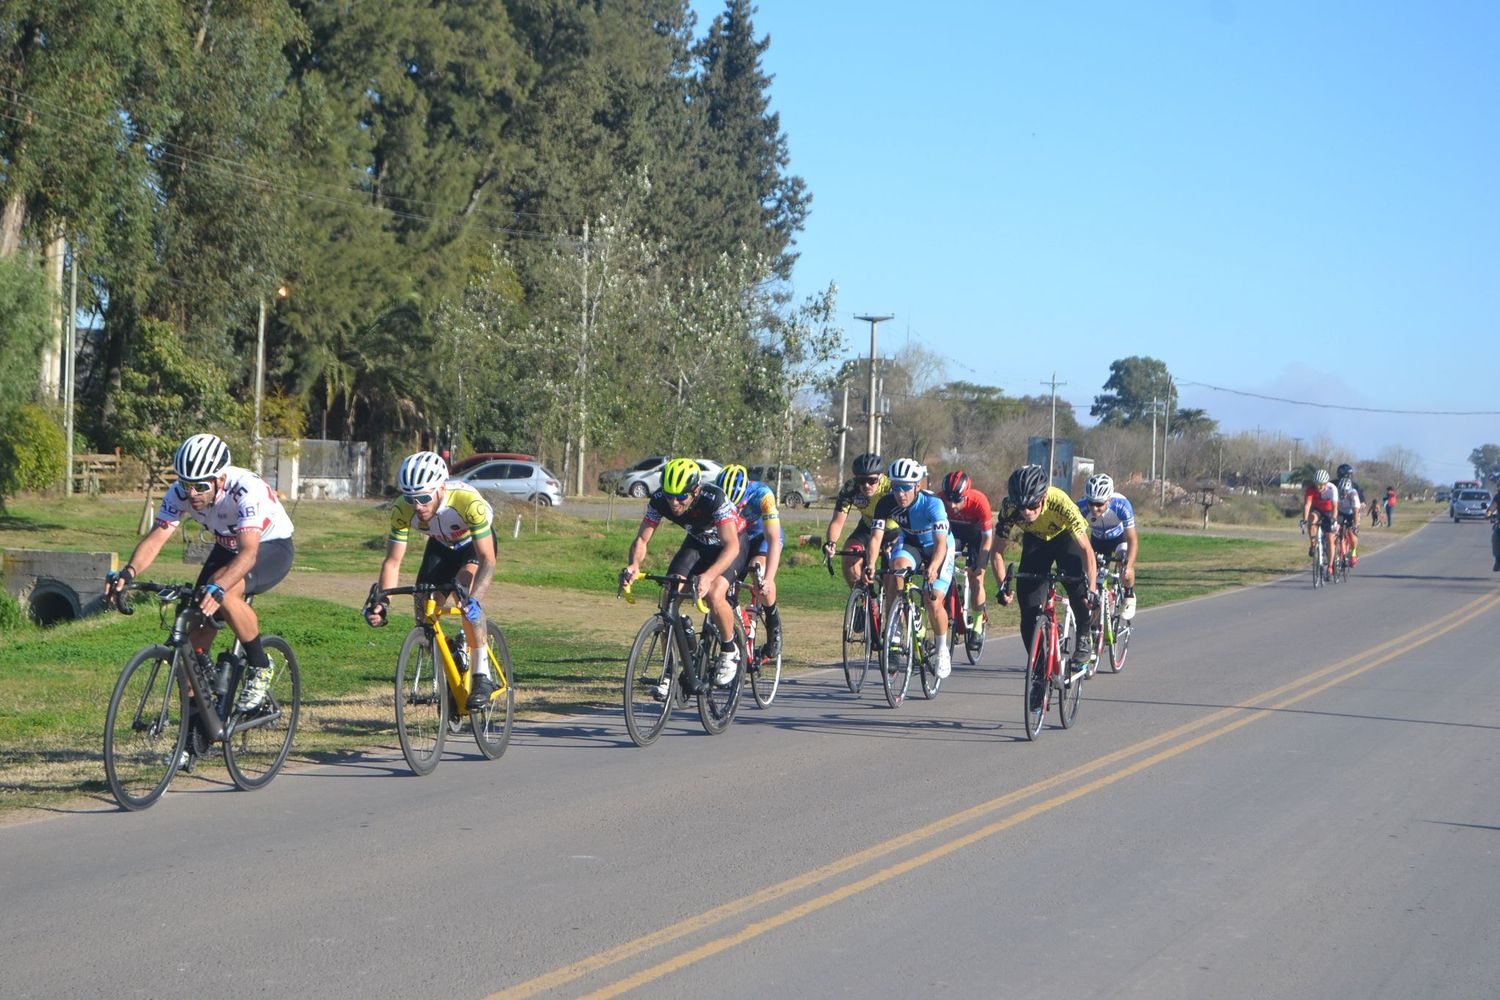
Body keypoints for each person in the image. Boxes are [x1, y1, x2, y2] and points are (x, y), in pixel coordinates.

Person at [105, 433, 296, 730]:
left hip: (269, 546)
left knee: (226, 592)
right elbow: (157, 538)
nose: (192, 493)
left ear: (220, 479)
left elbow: (248, 554)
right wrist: (128, 573)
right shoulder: (180, 493)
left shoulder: (246, 490)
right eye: (185, 484)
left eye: (200, 486)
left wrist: (219, 586)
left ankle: (260, 665)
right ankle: (197, 736)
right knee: (192, 647)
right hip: (228, 545)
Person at [365, 450, 500, 711]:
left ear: (441, 487)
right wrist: (383, 603)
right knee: (423, 612)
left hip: (473, 547)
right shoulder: (402, 510)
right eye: (411, 498)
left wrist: (474, 600)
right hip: (440, 547)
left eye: (424, 498)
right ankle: (451, 659)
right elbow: (392, 562)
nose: (417, 506)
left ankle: (481, 675)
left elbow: (488, 560)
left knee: (464, 599)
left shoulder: (467, 502)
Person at [621, 458, 744, 694]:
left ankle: (730, 650)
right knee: (670, 595)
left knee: (715, 593)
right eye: (670, 496)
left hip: (730, 545)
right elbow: (642, 539)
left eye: (680, 497)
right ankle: (669, 671)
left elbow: (732, 547)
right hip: (697, 543)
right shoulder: (659, 501)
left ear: (695, 490)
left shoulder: (714, 498)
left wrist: (707, 576)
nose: (674, 502)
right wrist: (634, 564)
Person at [992, 464, 1097, 677]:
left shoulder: (1060, 502)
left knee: (1078, 589)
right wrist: (1002, 585)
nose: (1026, 512)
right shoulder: (1010, 507)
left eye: (1032, 506)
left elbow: (1087, 550)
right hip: (1036, 541)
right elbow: (997, 553)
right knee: (1028, 611)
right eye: (1022, 507)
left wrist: (1092, 589)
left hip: (1065, 537)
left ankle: (1085, 637)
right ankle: (1039, 671)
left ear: (1042, 497)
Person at [863, 458, 956, 679]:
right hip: (912, 543)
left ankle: (942, 649)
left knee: (932, 600)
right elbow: (876, 538)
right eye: (896, 487)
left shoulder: (933, 504)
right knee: (896, 571)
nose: (900, 493)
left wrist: (933, 567)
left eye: (905, 487)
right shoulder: (885, 503)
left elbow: (941, 543)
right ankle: (895, 636)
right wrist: (870, 564)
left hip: (937, 547)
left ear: (917, 486)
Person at [715, 464, 783, 659]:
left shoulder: (763, 494)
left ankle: (772, 622)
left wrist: (769, 579)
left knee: (757, 570)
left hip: (763, 536)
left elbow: (773, 541)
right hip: (738, 538)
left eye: (738, 504)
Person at [821, 451, 893, 603]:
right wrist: (831, 543)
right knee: (849, 556)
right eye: (861, 481)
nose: (866, 485)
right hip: (867, 528)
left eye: (872, 480)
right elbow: (837, 521)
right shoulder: (850, 488)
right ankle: (865, 601)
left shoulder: (890, 488)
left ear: (881, 477)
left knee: (889, 579)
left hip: (893, 531)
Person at [939, 469, 994, 632]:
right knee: (940, 568)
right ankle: (952, 598)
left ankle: (977, 625)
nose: (952, 505)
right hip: (953, 533)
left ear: (967, 494)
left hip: (976, 536)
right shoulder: (939, 499)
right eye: (949, 499)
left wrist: (981, 564)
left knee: (977, 578)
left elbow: (987, 538)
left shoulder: (980, 501)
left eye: (957, 500)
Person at [1077, 473, 1138, 620]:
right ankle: (1102, 603)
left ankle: (1129, 593)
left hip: (1119, 538)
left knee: (1123, 564)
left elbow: (1132, 540)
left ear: (1109, 500)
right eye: (1091, 503)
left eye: (1099, 504)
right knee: (1095, 575)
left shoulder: (1121, 505)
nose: (1094, 508)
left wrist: (1128, 566)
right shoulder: (1080, 507)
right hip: (1097, 540)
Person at [1300, 469, 1339, 577]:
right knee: (1312, 519)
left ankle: (1330, 566)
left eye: (1321, 485)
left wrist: (1334, 519)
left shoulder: (1332, 489)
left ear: (1326, 483)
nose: (1319, 487)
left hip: (1329, 512)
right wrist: (1304, 520)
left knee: (1330, 538)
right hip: (1317, 510)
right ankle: (1313, 543)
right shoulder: (1311, 489)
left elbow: (1335, 507)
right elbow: (1307, 505)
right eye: (1317, 484)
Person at [1333, 463, 1364, 567]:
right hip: (1340, 511)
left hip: (1352, 512)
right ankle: (1336, 552)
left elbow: (1357, 510)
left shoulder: (1354, 489)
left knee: (1351, 532)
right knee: (1335, 530)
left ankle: (1354, 552)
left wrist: (1355, 525)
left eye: (1350, 475)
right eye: (1347, 475)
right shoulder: (1334, 486)